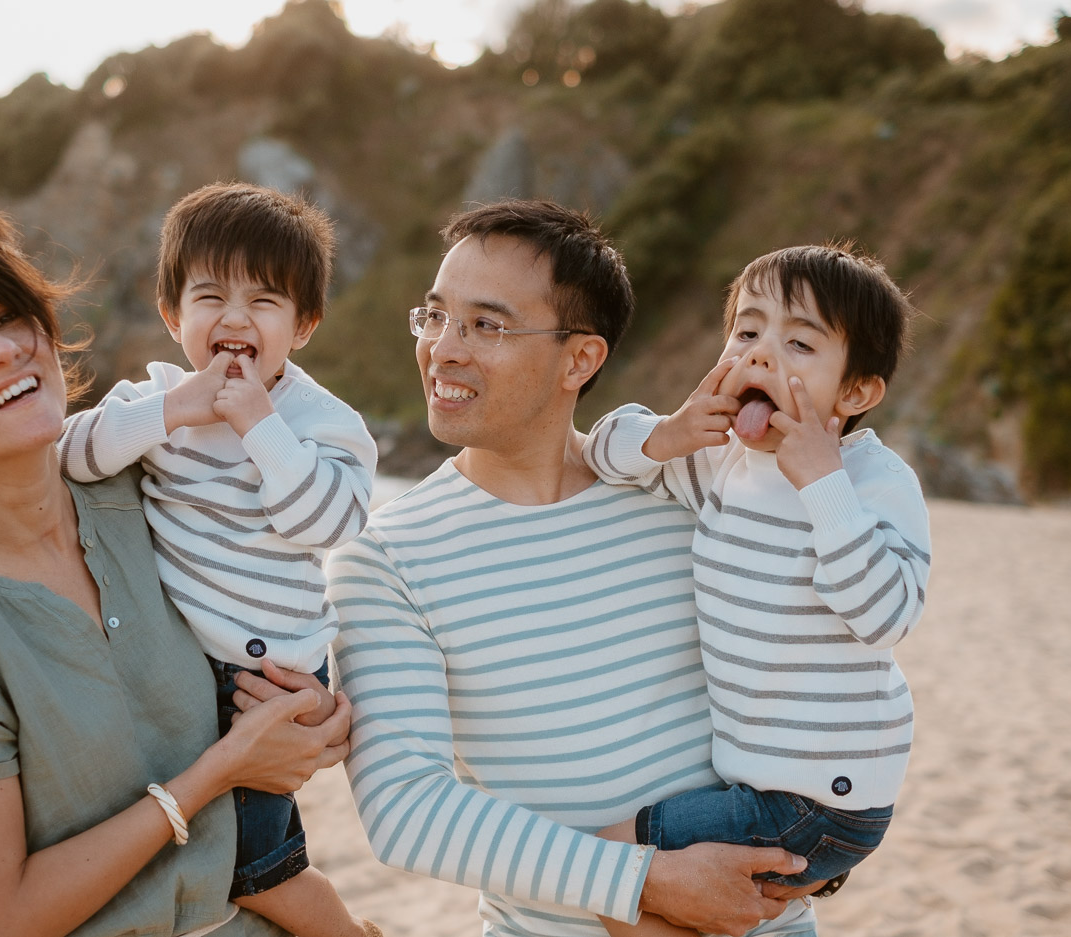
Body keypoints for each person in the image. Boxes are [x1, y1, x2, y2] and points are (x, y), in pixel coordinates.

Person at [0, 190, 352, 937]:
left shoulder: (149, 488)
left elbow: (281, 569)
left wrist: (318, 711)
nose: (1, 350)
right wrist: (219, 772)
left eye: (5, 317)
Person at [317, 200, 820, 937]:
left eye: (485, 325)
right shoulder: (384, 553)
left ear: (580, 359)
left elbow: (810, 674)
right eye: (434, 316)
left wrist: (826, 845)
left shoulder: (686, 490)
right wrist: (644, 881)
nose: (443, 349)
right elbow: (408, 809)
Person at [57, 182, 379, 937]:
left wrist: (260, 425)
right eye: (210, 297)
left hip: (264, 672)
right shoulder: (159, 398)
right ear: (174, 317)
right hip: (178, 667)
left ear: (303, 326)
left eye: (265, 301)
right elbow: (70, 452)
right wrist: (174, 410)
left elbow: (329, 520)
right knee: (199, 839)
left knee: (256, 864)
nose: (235, 318)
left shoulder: (320, 419)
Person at [582, 244, 932, 937]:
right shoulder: (720, 461)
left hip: (820, 800)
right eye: (747, 331)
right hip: (765, 786)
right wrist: (672, 431)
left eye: (799, 342)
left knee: (605, 865)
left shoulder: (870, 482)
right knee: (652, 902)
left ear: (857, 391)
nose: (762, 354)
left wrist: (821, 481)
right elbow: (600, 450)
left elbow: (886, 614)